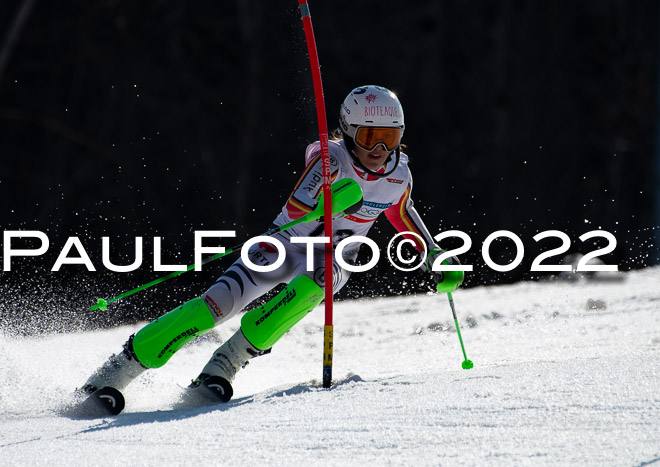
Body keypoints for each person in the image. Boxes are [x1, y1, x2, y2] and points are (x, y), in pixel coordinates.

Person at [79, 85, 464, 404]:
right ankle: (117, 371)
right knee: (212, 309)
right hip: (281, 245)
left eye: (390, 139)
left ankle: (225, 364)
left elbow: (401, 212)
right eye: (369, 138)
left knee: (313, 287)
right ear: (348, 130)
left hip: (332, 257)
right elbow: (298, 205)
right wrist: (332, 200)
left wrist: (433, 252)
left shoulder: (399, 173)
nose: (379, 152)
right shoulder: (330, 158)